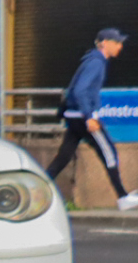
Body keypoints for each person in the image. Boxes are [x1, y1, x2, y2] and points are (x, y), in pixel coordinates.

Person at [45, 27, 135, 210]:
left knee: (64, 156)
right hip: (82, 116)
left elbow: (76, 89)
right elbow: (79, 90)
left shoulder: (93, 60)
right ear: (104, 43)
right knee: (109, 151)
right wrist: (89, 116)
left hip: (74, 115)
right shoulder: (96, 62)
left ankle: (37, 187)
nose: (120, 46)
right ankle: (123, 197)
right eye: (116, 42)